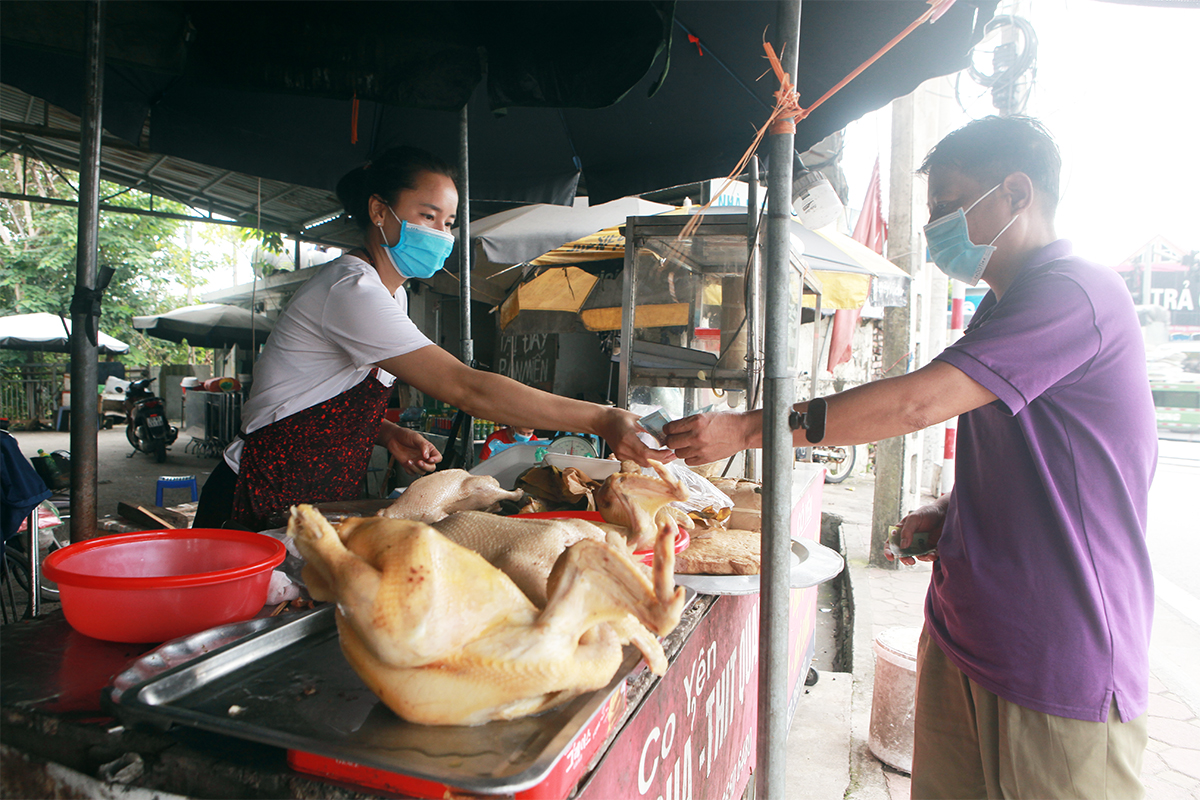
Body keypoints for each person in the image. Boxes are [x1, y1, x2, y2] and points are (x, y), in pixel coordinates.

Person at [665, 116, 1156, 799]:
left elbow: (917, 405)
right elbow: (1043, 457)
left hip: (1054, 660)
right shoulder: (1000, 308)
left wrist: (751, 429)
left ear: (1017, 192)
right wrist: (953, 512)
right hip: (966, 640)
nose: (933, 230)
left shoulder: (1073, 292)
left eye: (948, 206)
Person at [194, 146, 665, 531]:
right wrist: (602, 418)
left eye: (448, 221)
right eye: (428, 215)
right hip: (254, 499)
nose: (442, 232)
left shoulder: (389, 295)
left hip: (312, 501)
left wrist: (384, 431)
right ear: (379, 211)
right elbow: (468, 388)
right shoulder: (350, 291)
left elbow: (306, 397)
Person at [478, 425, 547, 460]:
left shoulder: (533, 439)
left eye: (529, 433)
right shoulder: (495, 438)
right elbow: (483, 464)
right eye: (521, 433)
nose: (525, 436)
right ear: (512, 427)